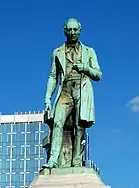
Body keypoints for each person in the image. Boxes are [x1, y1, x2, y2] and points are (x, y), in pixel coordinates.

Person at [43, 17, 102, 169]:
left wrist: (85, 67)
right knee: (57, 122)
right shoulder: (57, 52)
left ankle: (77, 160)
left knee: (79, 126)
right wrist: (48, 99)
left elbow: (98, 75)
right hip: (65, 90)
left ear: (80, 30)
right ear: (64, 30)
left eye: (75, 29)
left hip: (81, 89)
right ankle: (53, 159)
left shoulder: (89, 51)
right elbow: (52, 76)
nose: (72, 32)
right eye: (69, 29)